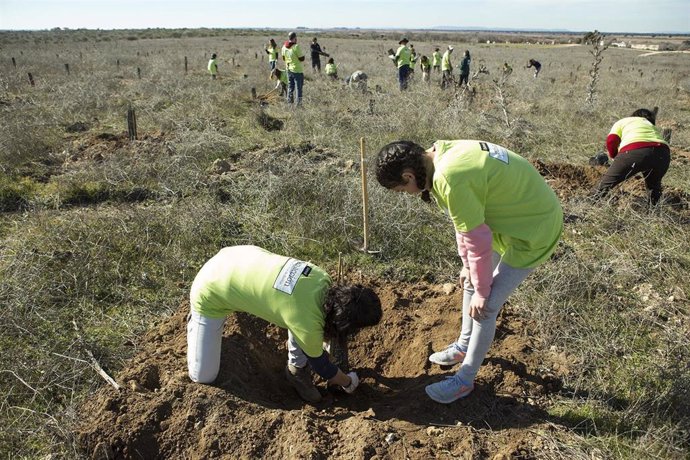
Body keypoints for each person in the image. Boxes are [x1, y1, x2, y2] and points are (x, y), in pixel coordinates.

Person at [374, 140, 563, 404]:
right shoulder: (438, 153)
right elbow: (463, 225)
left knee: (487, 306)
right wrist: (467, 267)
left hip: (534, 228)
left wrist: (483, 292)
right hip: (508, 215)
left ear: (408, 176)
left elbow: (477, 241)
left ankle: (465, 380)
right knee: (472, 281)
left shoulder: (450, 178)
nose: (407, 193)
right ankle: (464, 345)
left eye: (402, 189)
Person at [187, 245, 383, 403]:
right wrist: (349, 382)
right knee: (204, 376)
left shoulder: (321, 277)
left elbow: (300, 312)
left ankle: (296, 367)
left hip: (236, 254)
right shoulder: (308, 325)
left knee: (294, 311)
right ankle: (196, 323)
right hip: (209, 290)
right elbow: (323, 368)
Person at [594, 108, 671, 205]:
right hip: (663, 154)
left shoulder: (623, 121)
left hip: (635, 151)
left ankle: (584, 206)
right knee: (654, 188)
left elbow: (611, 140)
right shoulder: (650, 125)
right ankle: (653, 213)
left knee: (604, 186)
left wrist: (614, 156)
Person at [282, 31, 306, 105]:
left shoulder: (283, 47)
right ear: (295, 38)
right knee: (298, 88)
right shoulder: (296, 46)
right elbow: (302, 59)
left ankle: (289, 103)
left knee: (290, 87)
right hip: (297, 70)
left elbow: (283, 58)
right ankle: (298, 105)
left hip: (288, 69)